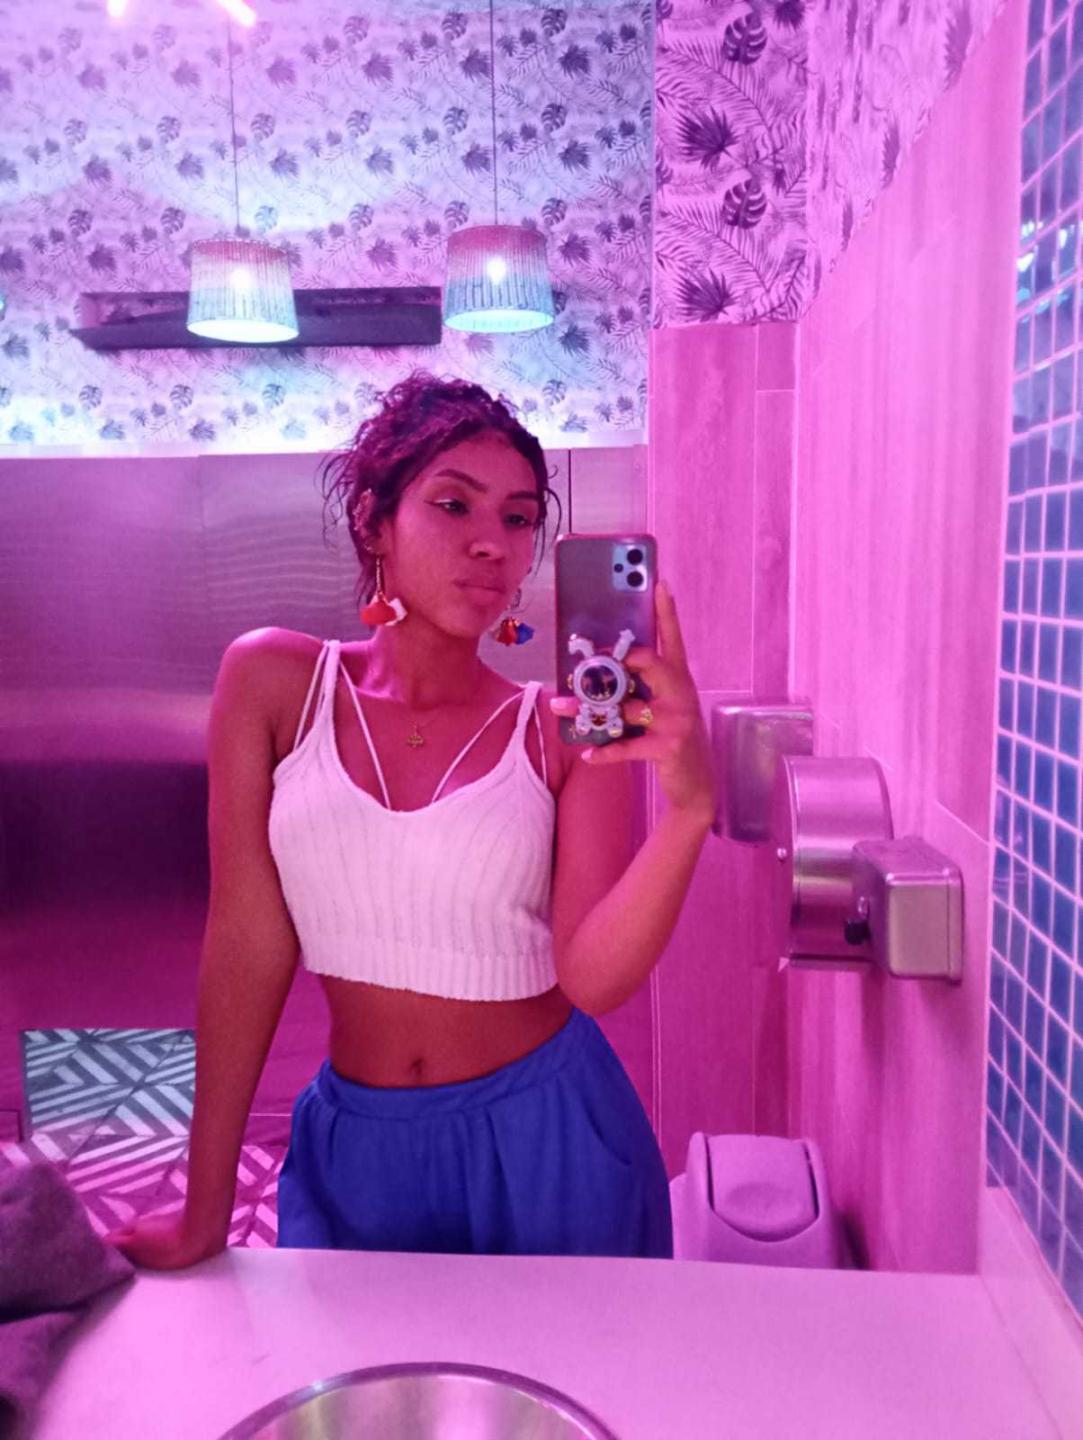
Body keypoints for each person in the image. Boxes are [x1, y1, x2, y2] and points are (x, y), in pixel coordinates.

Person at [105, 371, 715, 1269]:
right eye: (452, 504)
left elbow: (593, 979)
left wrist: (690, 811)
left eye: (516, 518)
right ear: (373, 520)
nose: (490, 543)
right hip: (360, 1153)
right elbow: (245, 945)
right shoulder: (273, 683)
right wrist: (206, 1208)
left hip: (550, 1141)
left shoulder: (557, 731)